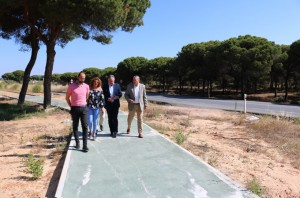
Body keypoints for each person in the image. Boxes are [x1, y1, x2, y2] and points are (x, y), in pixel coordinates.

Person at [66, 71, 90, 152]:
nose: (83, 79)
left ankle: (85, 145)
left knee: (85, 126)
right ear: (78, 77)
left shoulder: (86, 86)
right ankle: (77, 143)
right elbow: (67, 98)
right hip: (74, 109)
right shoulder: (71, 86)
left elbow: (86, 97)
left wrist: (82, 103)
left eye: (84, 78)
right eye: (81, 78)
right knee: (75, 126)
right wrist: (71, 106)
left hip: (84, 108)